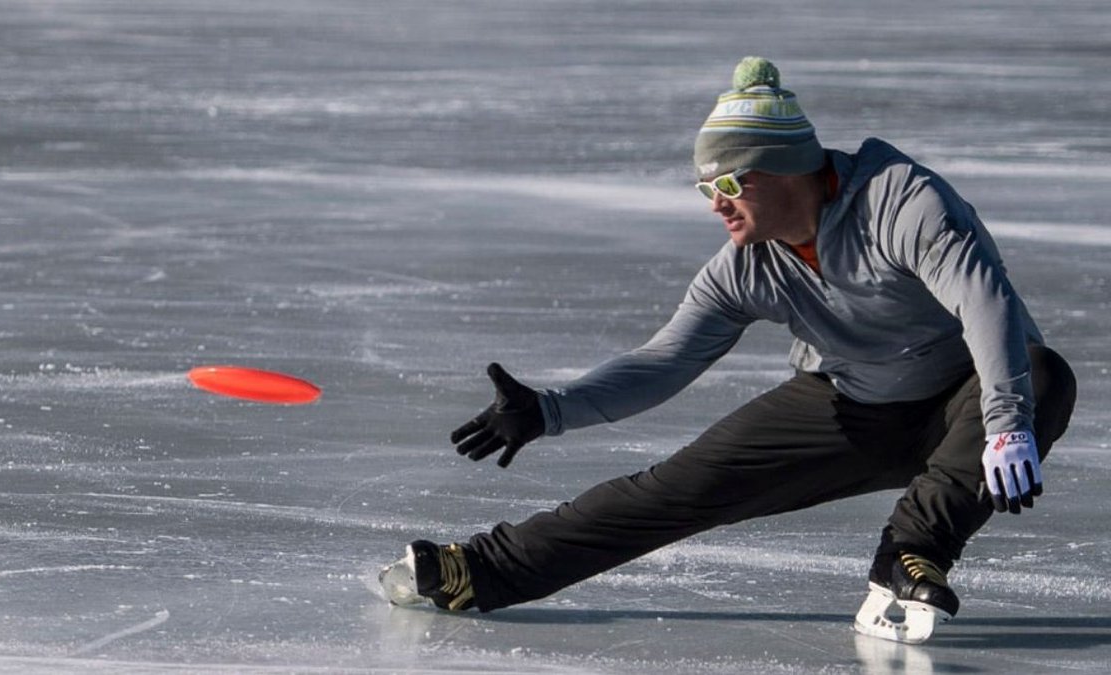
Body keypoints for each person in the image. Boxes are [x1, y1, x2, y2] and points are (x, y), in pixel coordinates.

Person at [378, 56, 1077, 643]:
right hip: (846, 408)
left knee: (1042, 374)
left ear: (782, 170)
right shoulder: (748, 265)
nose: (715, 202)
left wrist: (1008, 416)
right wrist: (550, 409)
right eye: (704, 188)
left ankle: (913, 554)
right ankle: (481, 568)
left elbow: (984, 301)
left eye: (727, 184)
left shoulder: (901, 201)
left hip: (967, 406)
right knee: (677, 488)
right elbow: (664, 360)